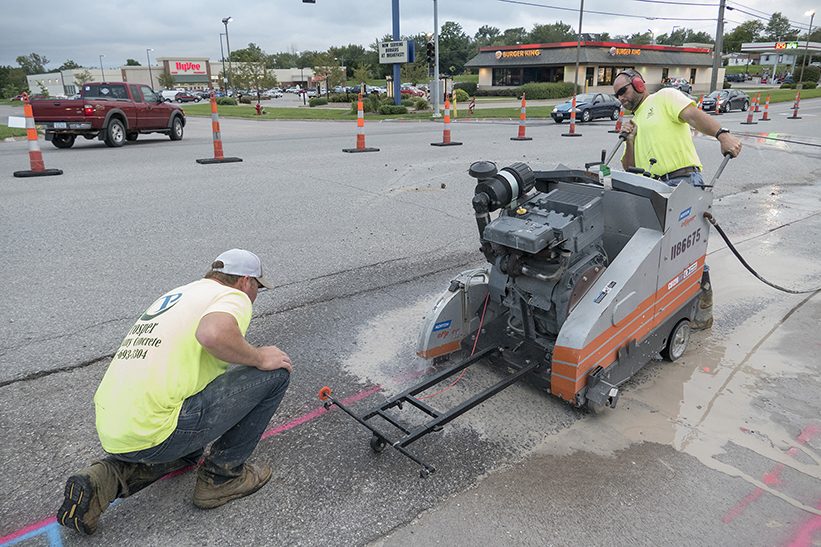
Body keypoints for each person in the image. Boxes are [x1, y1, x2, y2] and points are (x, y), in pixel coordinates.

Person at [57, 249, 292, 535]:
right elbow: (213, 335)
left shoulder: (182, 295)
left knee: (189, 453)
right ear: (246, 281)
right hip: (157, 429)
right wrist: (258, 357)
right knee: (275, 373)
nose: (255, 295)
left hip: (116, 430)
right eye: (257, 288)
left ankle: (105, 479)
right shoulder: (233, 296)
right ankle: (221, 478)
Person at [613, 69, 743, 187]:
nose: (620, 98)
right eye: (617, 95)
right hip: (650, 188)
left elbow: (693, 117)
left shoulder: (664, 97)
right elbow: (629, 169)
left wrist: (722, 135)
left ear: (638, 84)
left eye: (622, 91)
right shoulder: (633, 123)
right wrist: (630, 141)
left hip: (681, 181)